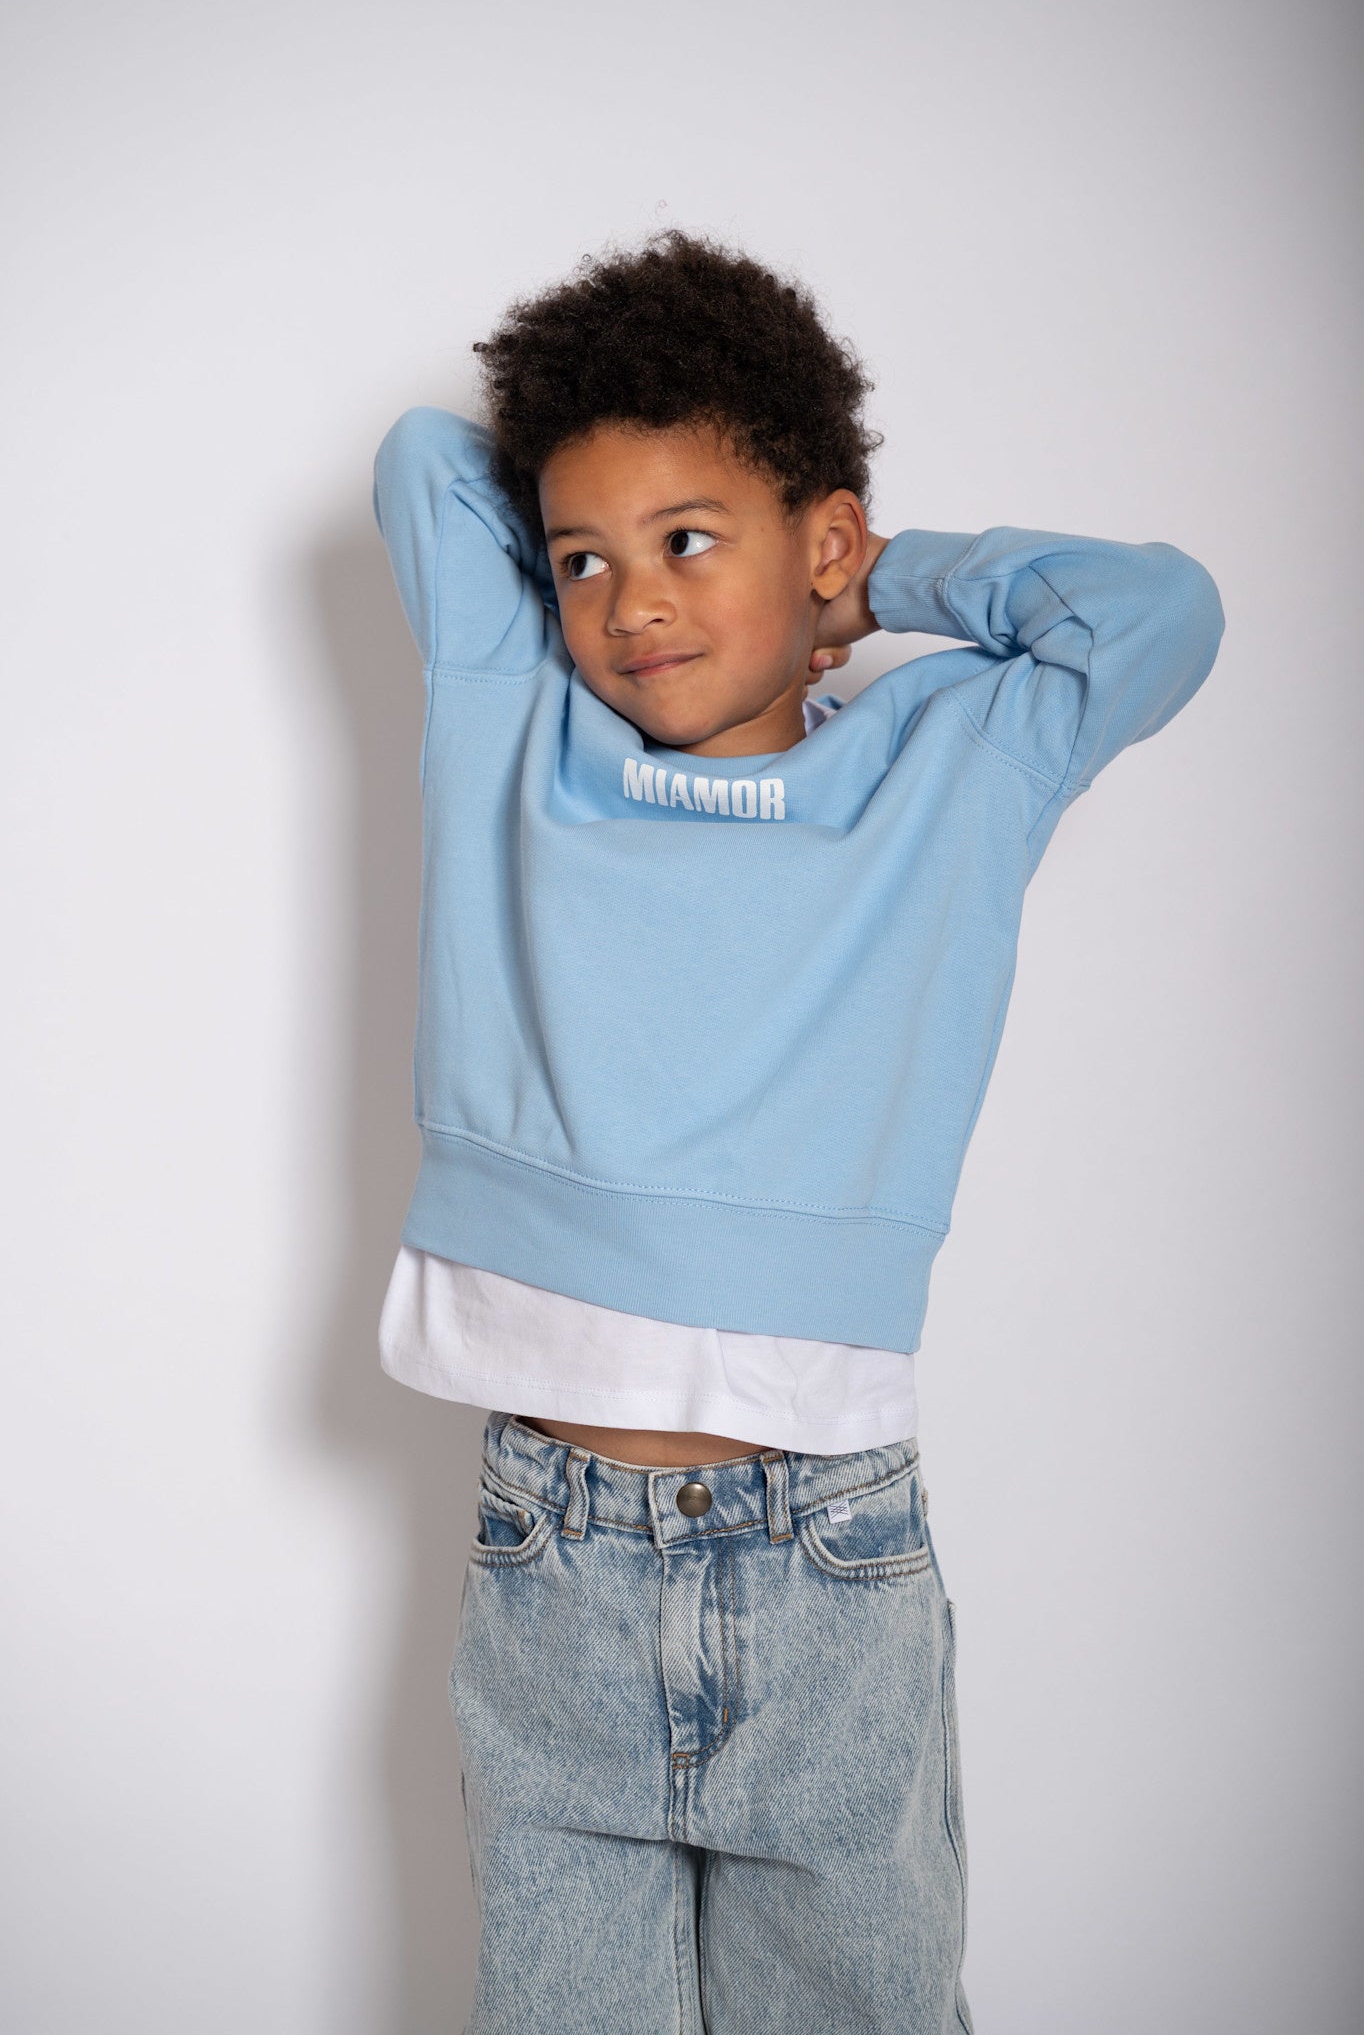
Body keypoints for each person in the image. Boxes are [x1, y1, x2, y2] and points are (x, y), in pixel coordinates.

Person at [371, 230, 1224, 2034]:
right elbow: (422, 461)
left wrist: (873, 577)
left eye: (691, 540)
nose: (630, 602)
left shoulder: (943, 761)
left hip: (826, 1555)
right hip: (548, 1555)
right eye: (584, 560)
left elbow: (1160, 613)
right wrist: (654, 526)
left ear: (818, 542)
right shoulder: (517, 723)